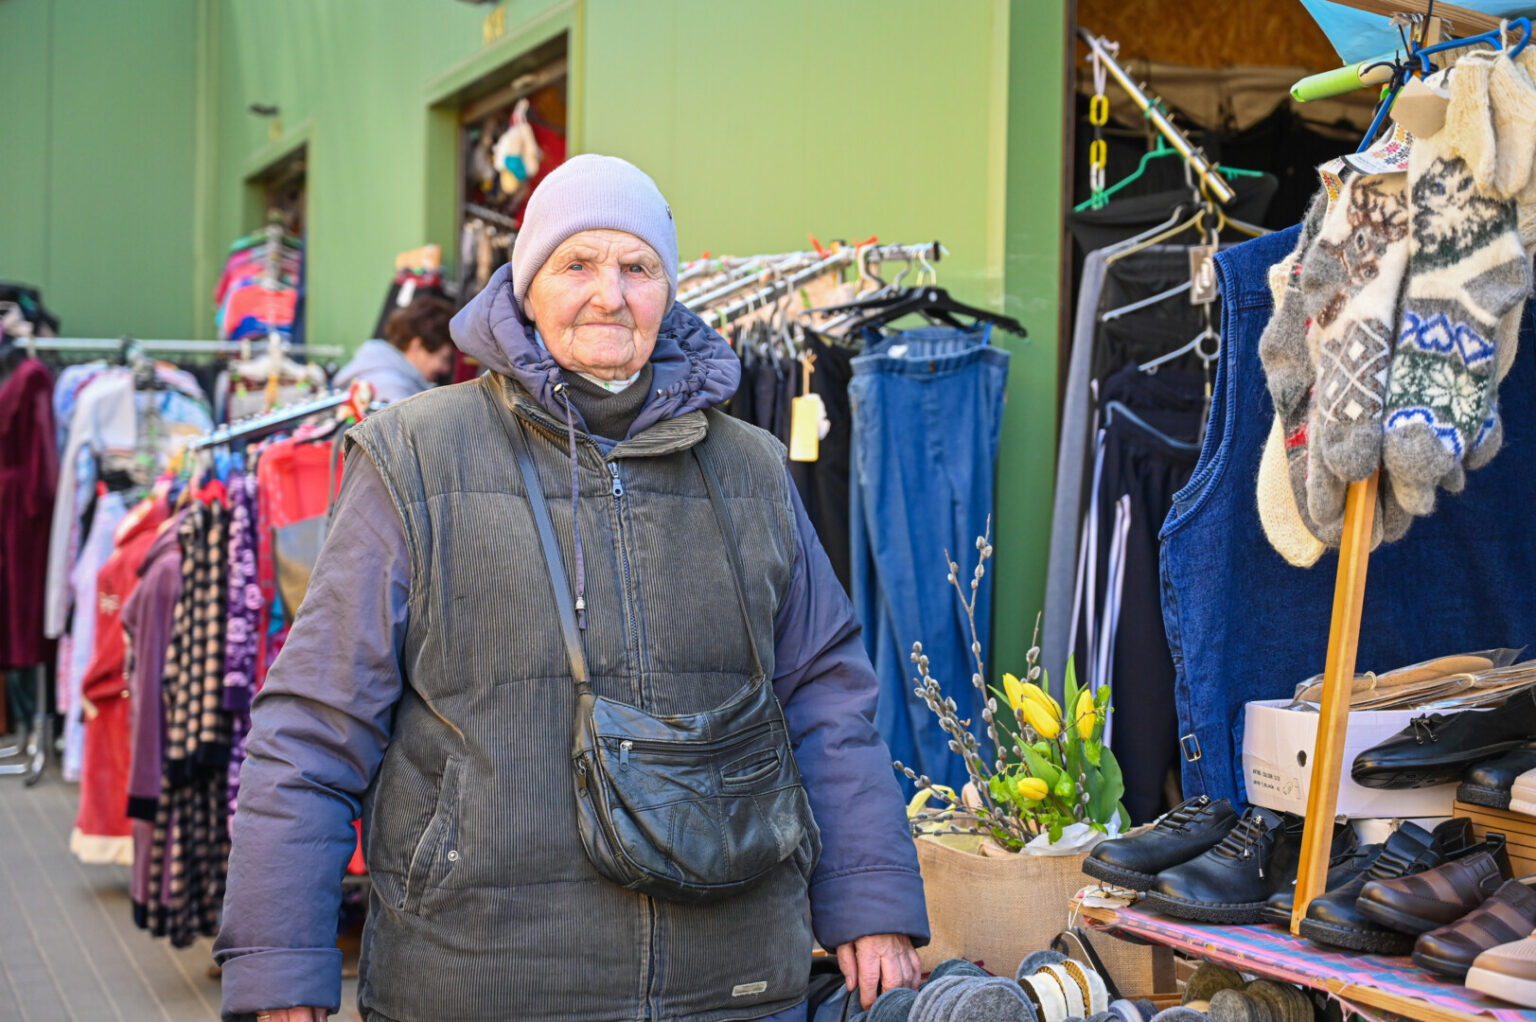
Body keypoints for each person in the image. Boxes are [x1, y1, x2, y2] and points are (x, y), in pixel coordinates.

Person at [214, 154, 928, 1022]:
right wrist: (282, 968)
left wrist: (871, 899)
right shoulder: (413, 458)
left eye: (638, 267)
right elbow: (312, 731)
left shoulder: (751, 467)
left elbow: (825, 698)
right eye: (577, 264)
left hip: (733, 983)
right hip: (478, 983)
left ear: (669, 288)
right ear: (525, 284)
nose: (610, 295)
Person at [333, 293, 456, 402]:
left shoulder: (374, 372)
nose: (446, 368)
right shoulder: (395, 390)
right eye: (443, 358)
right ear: (416, 346)